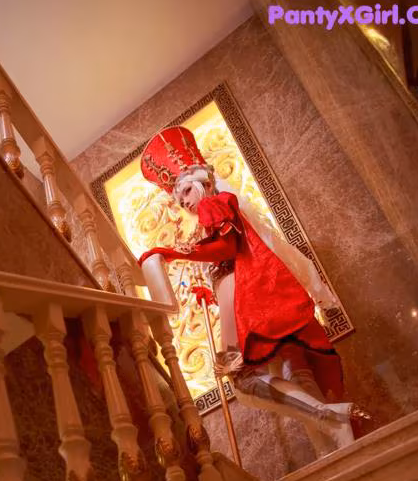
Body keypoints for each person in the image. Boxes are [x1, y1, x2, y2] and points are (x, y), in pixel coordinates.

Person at [138, 126, 368, 452]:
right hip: (266, 291)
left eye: (185, 193)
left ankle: (330, 418)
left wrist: (176, 252)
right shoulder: (223, 202)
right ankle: (337, 444)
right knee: (296, 368)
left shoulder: (211, 204)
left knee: (243, 380)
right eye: (178, 198)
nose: (183, 203)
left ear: (199, 183)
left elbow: (227, 248)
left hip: (252, 295)